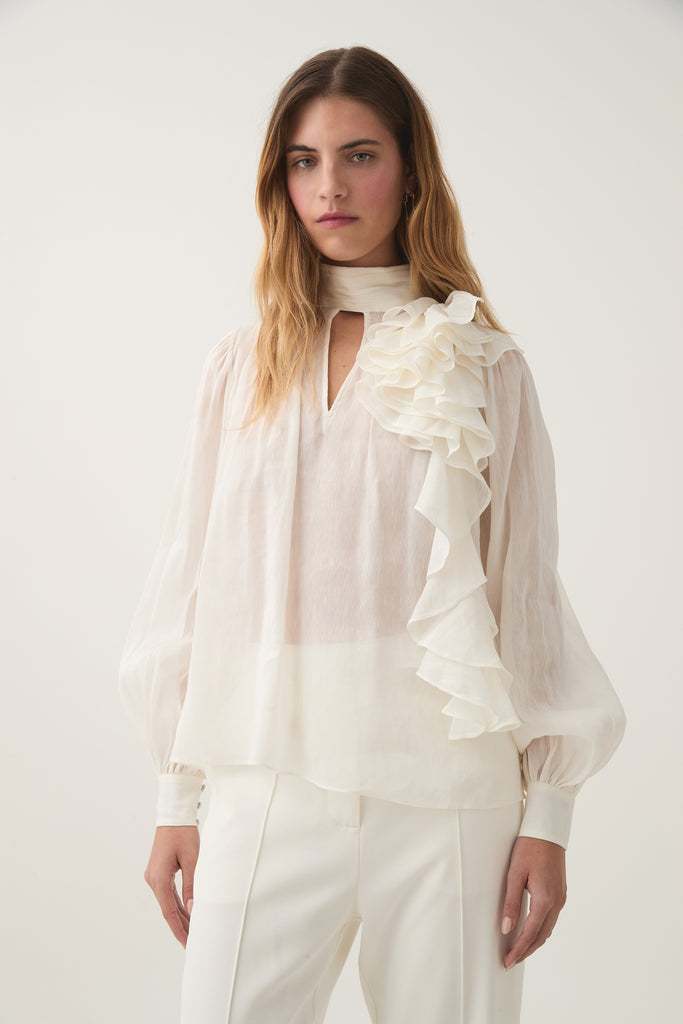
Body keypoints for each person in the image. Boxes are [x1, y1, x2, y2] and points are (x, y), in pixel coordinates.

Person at [118, 45, 626, 1024]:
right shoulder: (240, 368)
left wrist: (549, 815)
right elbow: (192, 583)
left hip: (450, 797)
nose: (330, 187)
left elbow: (521, 587)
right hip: (265, 778)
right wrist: (176, 798)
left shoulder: (483, 365)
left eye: (359, 155)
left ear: (409, 170)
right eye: (303, 161)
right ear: (279, 182)